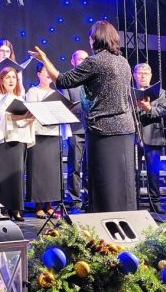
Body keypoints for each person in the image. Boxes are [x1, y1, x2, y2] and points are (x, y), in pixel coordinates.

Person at [30, 21, 136, 213]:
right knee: (123, 180)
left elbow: (62, 81)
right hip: (126, 128)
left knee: (103, 179)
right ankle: (127, 217)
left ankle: (104, 218)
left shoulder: (94, 62)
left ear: (96, 38)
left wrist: (44, 58)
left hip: (103, 129)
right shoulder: (124, 62)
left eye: (90, 37)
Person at [25, 63, 67, 218]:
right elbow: (32, 111)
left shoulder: (56, 93)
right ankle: (38, 204)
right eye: (45, 71)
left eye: (49, 71)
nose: (48, 74)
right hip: (39, 134)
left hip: (53, 133)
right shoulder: (33, 91)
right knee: (38, 170)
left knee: (51, 171)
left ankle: (49, 204)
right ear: (38, 74)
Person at [0, 66, 33, 221]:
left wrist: (29, 118)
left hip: (20, 138)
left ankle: (16, 208)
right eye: (7, 77)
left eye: (14, 77)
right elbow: (0, 118)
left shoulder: (21, 99)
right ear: (2, 81)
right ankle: (3, 208)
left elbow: (25, 118)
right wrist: (17, 117)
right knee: (5, 175)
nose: (11, 80)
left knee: (18, 174)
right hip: (6, 138)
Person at [132, 63, 166, 215]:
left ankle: (155, 203)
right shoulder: (128, 91)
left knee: (153, 173)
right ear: (134, 75)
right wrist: (134, 107)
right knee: (133, 172)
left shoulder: (160, 92)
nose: (143, 76)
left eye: (146, 73)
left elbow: (164, 110)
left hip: (153, 136)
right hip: (133, 136)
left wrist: (149, 109)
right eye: (140, 73)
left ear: (151, 75)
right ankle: (133, 203)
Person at [63, 49, 89, 209]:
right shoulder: (68, 80)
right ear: (73, 62)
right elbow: (66, 106)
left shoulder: (92, 78)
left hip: (92, 128)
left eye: (86, 59)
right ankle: (75, 199)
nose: (83, 61)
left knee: (90, 166)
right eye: (80, 59)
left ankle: (89, 197)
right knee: (75, 166)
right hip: (75, 128)